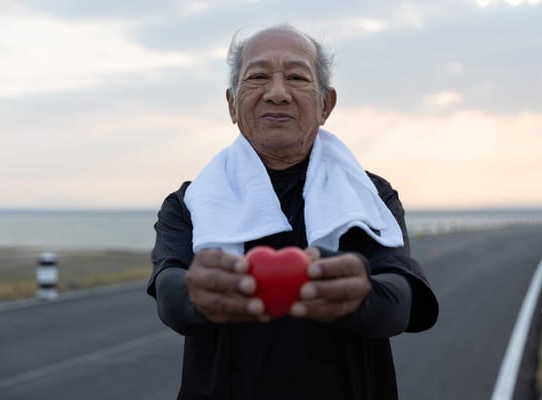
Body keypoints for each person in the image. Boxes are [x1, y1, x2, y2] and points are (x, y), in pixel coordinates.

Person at [147, 24, 438, 400]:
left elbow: (397, 305)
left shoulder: (370, 196)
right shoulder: (190, 203)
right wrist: (197, 291)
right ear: (232, 104)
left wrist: (361, 293)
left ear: (325, 105)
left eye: (297, 77)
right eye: (258, 76)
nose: (277, 93)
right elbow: (172, 299)